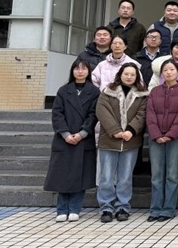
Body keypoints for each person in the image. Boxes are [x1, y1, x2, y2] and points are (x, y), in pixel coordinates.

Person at [44, 59, 99, 223]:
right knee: (62, 174)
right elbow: (57, 114)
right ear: (72, 71)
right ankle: (62, 209)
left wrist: (82, 133)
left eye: (83, 69)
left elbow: (93, 115)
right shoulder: (63, 90)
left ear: (88, 71)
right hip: (64, 139)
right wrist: (65, 134)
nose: (80, 71)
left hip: (83, 139)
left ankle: (75, 208)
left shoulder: (94, 91)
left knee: (80, 176)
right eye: (77, 68)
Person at [95, 63, 148, 223]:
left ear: (137, 77)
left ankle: (122, 207)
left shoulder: (142, 94)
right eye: (126, 74)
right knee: (106, 176)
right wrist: (115, 130)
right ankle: (106, 207)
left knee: (125, 177)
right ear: (120, 75)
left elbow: (142, 114)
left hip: (131, 141)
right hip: (109, 140)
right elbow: (102, 111)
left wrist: (130, 130)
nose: (129, 77)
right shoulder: (108, 92)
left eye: (132, 74)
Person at [146, 59, 178, 222]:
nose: (168, 72)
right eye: (165, 70)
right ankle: (155, 209)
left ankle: (168, 209)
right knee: (156, 175)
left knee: (172, 174)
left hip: (176, 137)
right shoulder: (155, 91)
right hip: (155, 137)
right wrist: (156, 134)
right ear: (161, 73)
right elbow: (150, 114)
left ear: (177, 72)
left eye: (172, 69)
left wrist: (170, 134)